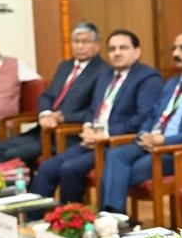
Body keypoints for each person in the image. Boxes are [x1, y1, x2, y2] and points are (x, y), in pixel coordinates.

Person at [99, 31, 182, 216]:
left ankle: (113, 218)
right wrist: (144, 134)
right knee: (114, 156)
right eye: (174, 48)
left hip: (181, 151)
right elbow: (152, 115)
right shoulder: (171, 84)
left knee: (119, 172)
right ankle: (111, 217)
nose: (175, 53)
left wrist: (165, 141)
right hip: (153, 144)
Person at [29, 29, 162, 204]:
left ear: (137, 52)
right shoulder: (106, 76)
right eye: (112, 49)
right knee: (48, 166)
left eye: (123, 48)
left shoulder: (148, 77)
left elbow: (142, 118)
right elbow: (93, 110)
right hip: (93, 140)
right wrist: (87, 127)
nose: (117, 53)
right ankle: (34, 216)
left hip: (118, 143)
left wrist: (105, 134)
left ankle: (71, 216)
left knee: (70, 168)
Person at [0, 23, 108, 166]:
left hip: (68, 134)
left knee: (13, 154)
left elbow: (96, 110)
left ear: (97, 45)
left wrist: (62, 117)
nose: (79, 46)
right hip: (43, 131)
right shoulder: (65, 66)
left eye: (85, 42)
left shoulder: (103, 71)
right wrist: (45, 114)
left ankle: (20, 182)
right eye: (76, 41)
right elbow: (47, 96)